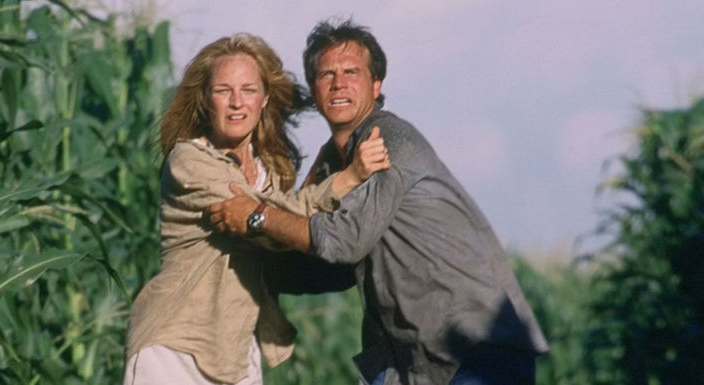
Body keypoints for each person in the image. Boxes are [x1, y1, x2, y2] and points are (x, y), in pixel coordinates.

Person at [208, 20, 549, 385]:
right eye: (327, 74)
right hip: (411, 360)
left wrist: (256, 216)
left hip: (476, 348)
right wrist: (239, 266)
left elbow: (342, 241)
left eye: (351, 72)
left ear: (376, 85)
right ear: (314, 88)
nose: (338, 83)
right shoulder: (330, 166)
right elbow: (325, 264)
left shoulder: (388, 140)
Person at [123, 33, 390, 385]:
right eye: (223, 91)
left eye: (248, 90)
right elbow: (271, 216)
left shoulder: (270, 172)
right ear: (206, 99)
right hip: (174, 348)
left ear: (264, 99)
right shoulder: (190, 161)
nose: (236, 103)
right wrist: (349, 177)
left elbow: (289, 217)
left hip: (236, 352)